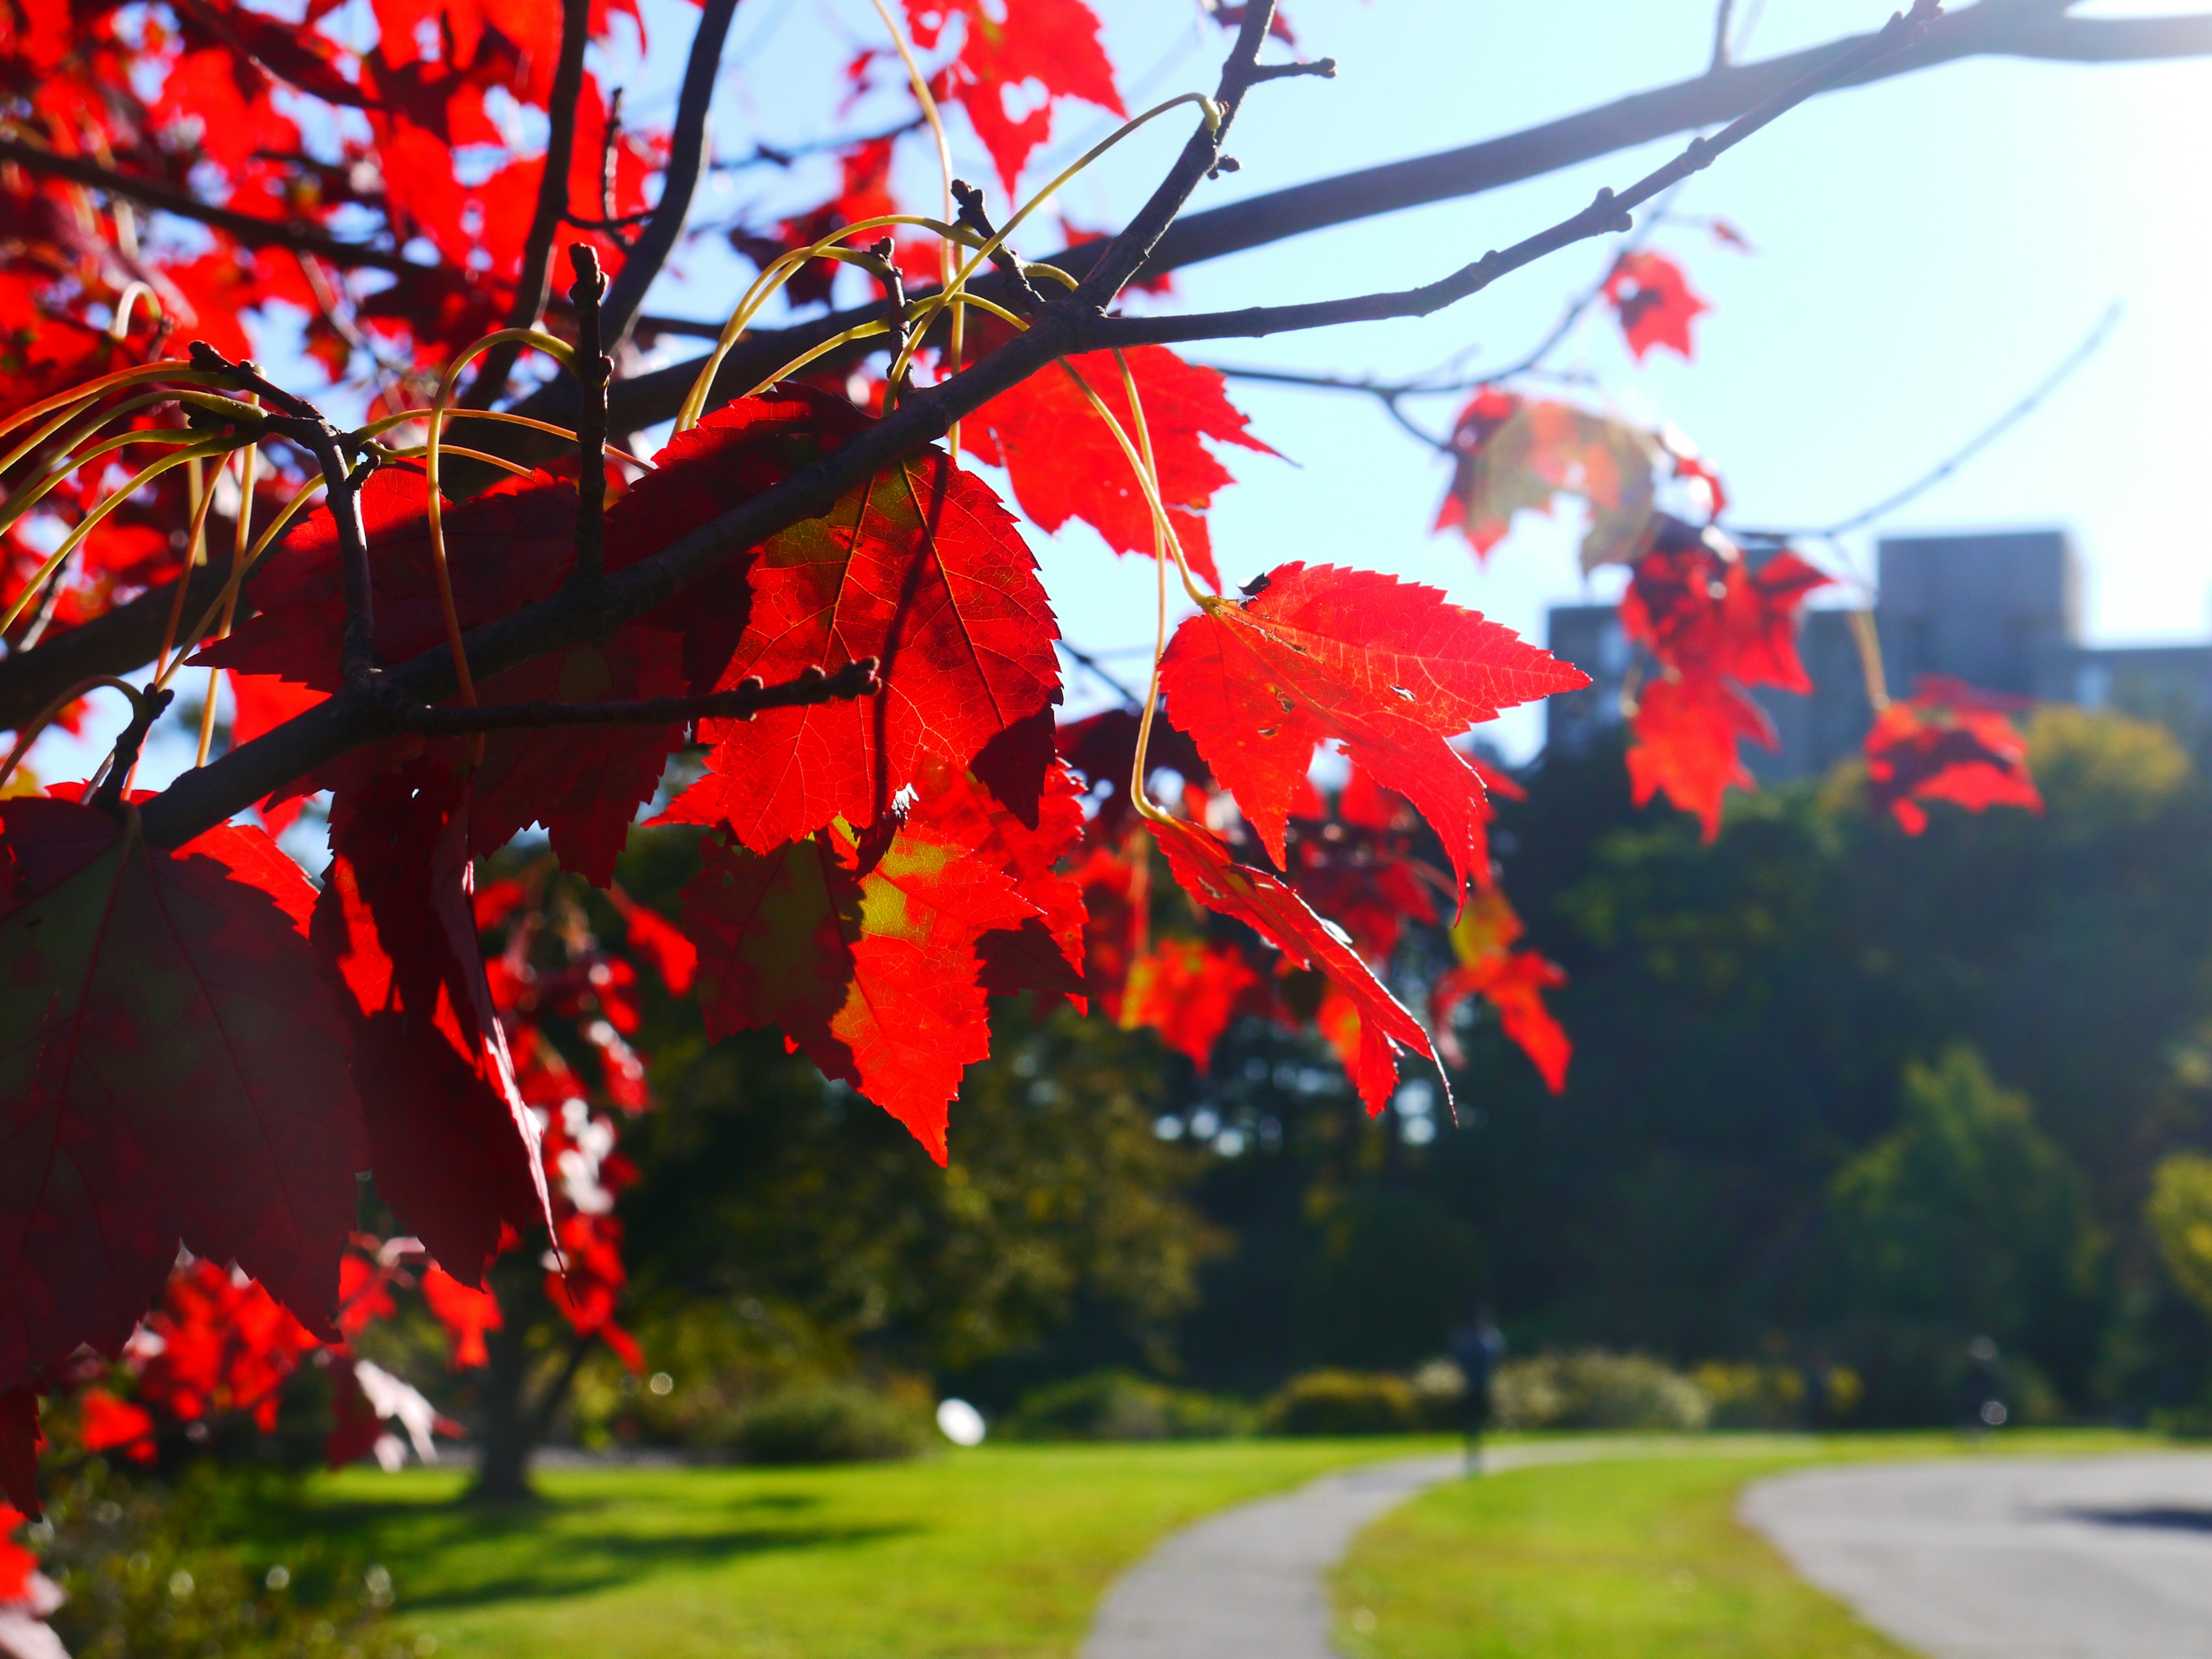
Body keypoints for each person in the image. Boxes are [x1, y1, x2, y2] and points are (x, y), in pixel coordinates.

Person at [1448, 1306, 1506, 1472]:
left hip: (1475, 1388)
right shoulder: (1486, 1342)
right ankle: (1476, 1453)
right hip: (1478, 1388)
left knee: (1474, 1423)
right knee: (1476, 1423)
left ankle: (1474, 1453)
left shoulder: (1468, 1342)